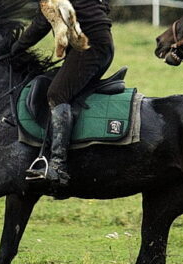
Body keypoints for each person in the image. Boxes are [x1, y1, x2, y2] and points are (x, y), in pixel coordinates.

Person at [12, 0, 115, 186]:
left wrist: (16, 48)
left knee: (57, 94)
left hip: (88, 47)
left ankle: (58, 164)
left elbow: (41, 24)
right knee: (62, 86)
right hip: (101, 43)